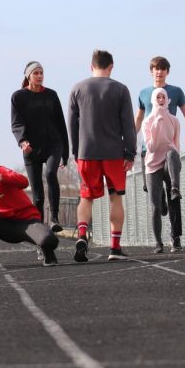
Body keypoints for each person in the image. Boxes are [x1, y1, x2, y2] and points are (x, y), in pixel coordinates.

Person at [68, 50, 137, 261]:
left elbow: (72, 123)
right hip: (114, 153)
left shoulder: (78, 88)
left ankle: (81, 235)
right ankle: (115, 247)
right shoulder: (120, 89)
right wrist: (130, 152)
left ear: (91, 66)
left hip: (87, 153)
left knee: (86, 197)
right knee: (116, 197)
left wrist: (76, 151)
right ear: (111, 66)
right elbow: (128, 125)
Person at [133, 56, 185, 251]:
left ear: (167, 72)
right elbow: (138, 118)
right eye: (155, 69)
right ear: (151, 71)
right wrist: (127, 144)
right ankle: (160, 204)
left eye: (162, 69)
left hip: (169, 149)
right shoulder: (144, 93)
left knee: (173, 195)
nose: (159, 72)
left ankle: (175, 237)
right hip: (149, 151)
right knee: (151, 192)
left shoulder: (176, 92)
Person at [11, 61, 69, 233]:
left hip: (53, 144)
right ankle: (39, 227)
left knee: (51, 173)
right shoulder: (18, 97)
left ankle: (55, 218)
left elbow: (61, 123)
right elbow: (16, 123)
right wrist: (23, 142)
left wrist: (65, 152)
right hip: (31, 149)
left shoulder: (51, 95)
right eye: (36, 73)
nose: (40, 76)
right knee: (37, 193)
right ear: (28, 76)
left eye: (41, 73)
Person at [142, 88, 183, 254]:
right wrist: (157, 124)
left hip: (168, 162)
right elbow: (151, 146)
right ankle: (158, 243)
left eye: (163, 96)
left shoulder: (174, 120)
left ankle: (174, 188)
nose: (160, 99)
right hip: (152, 164)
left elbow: (175, 145)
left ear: (167, 99)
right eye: (157, 96)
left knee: (172, 153)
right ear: (153, 99)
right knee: (155, 207)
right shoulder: (147, 122)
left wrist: (175, 163)